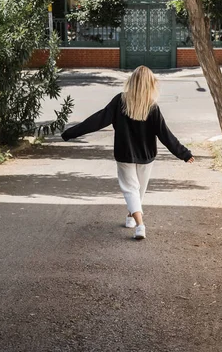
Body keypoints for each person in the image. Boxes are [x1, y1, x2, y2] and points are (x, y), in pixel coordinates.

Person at [61, 65, 194, 240]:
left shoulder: (121, 101)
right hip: (146, 156)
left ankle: (134, 219)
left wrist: (70, 132)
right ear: (150, 85)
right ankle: (139, 224)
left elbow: (97, 120)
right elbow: (165, 135)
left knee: (133, 190)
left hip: (125, 155)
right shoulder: (151, 107)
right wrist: (184, 153)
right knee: (137, 191)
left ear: (132, 82)